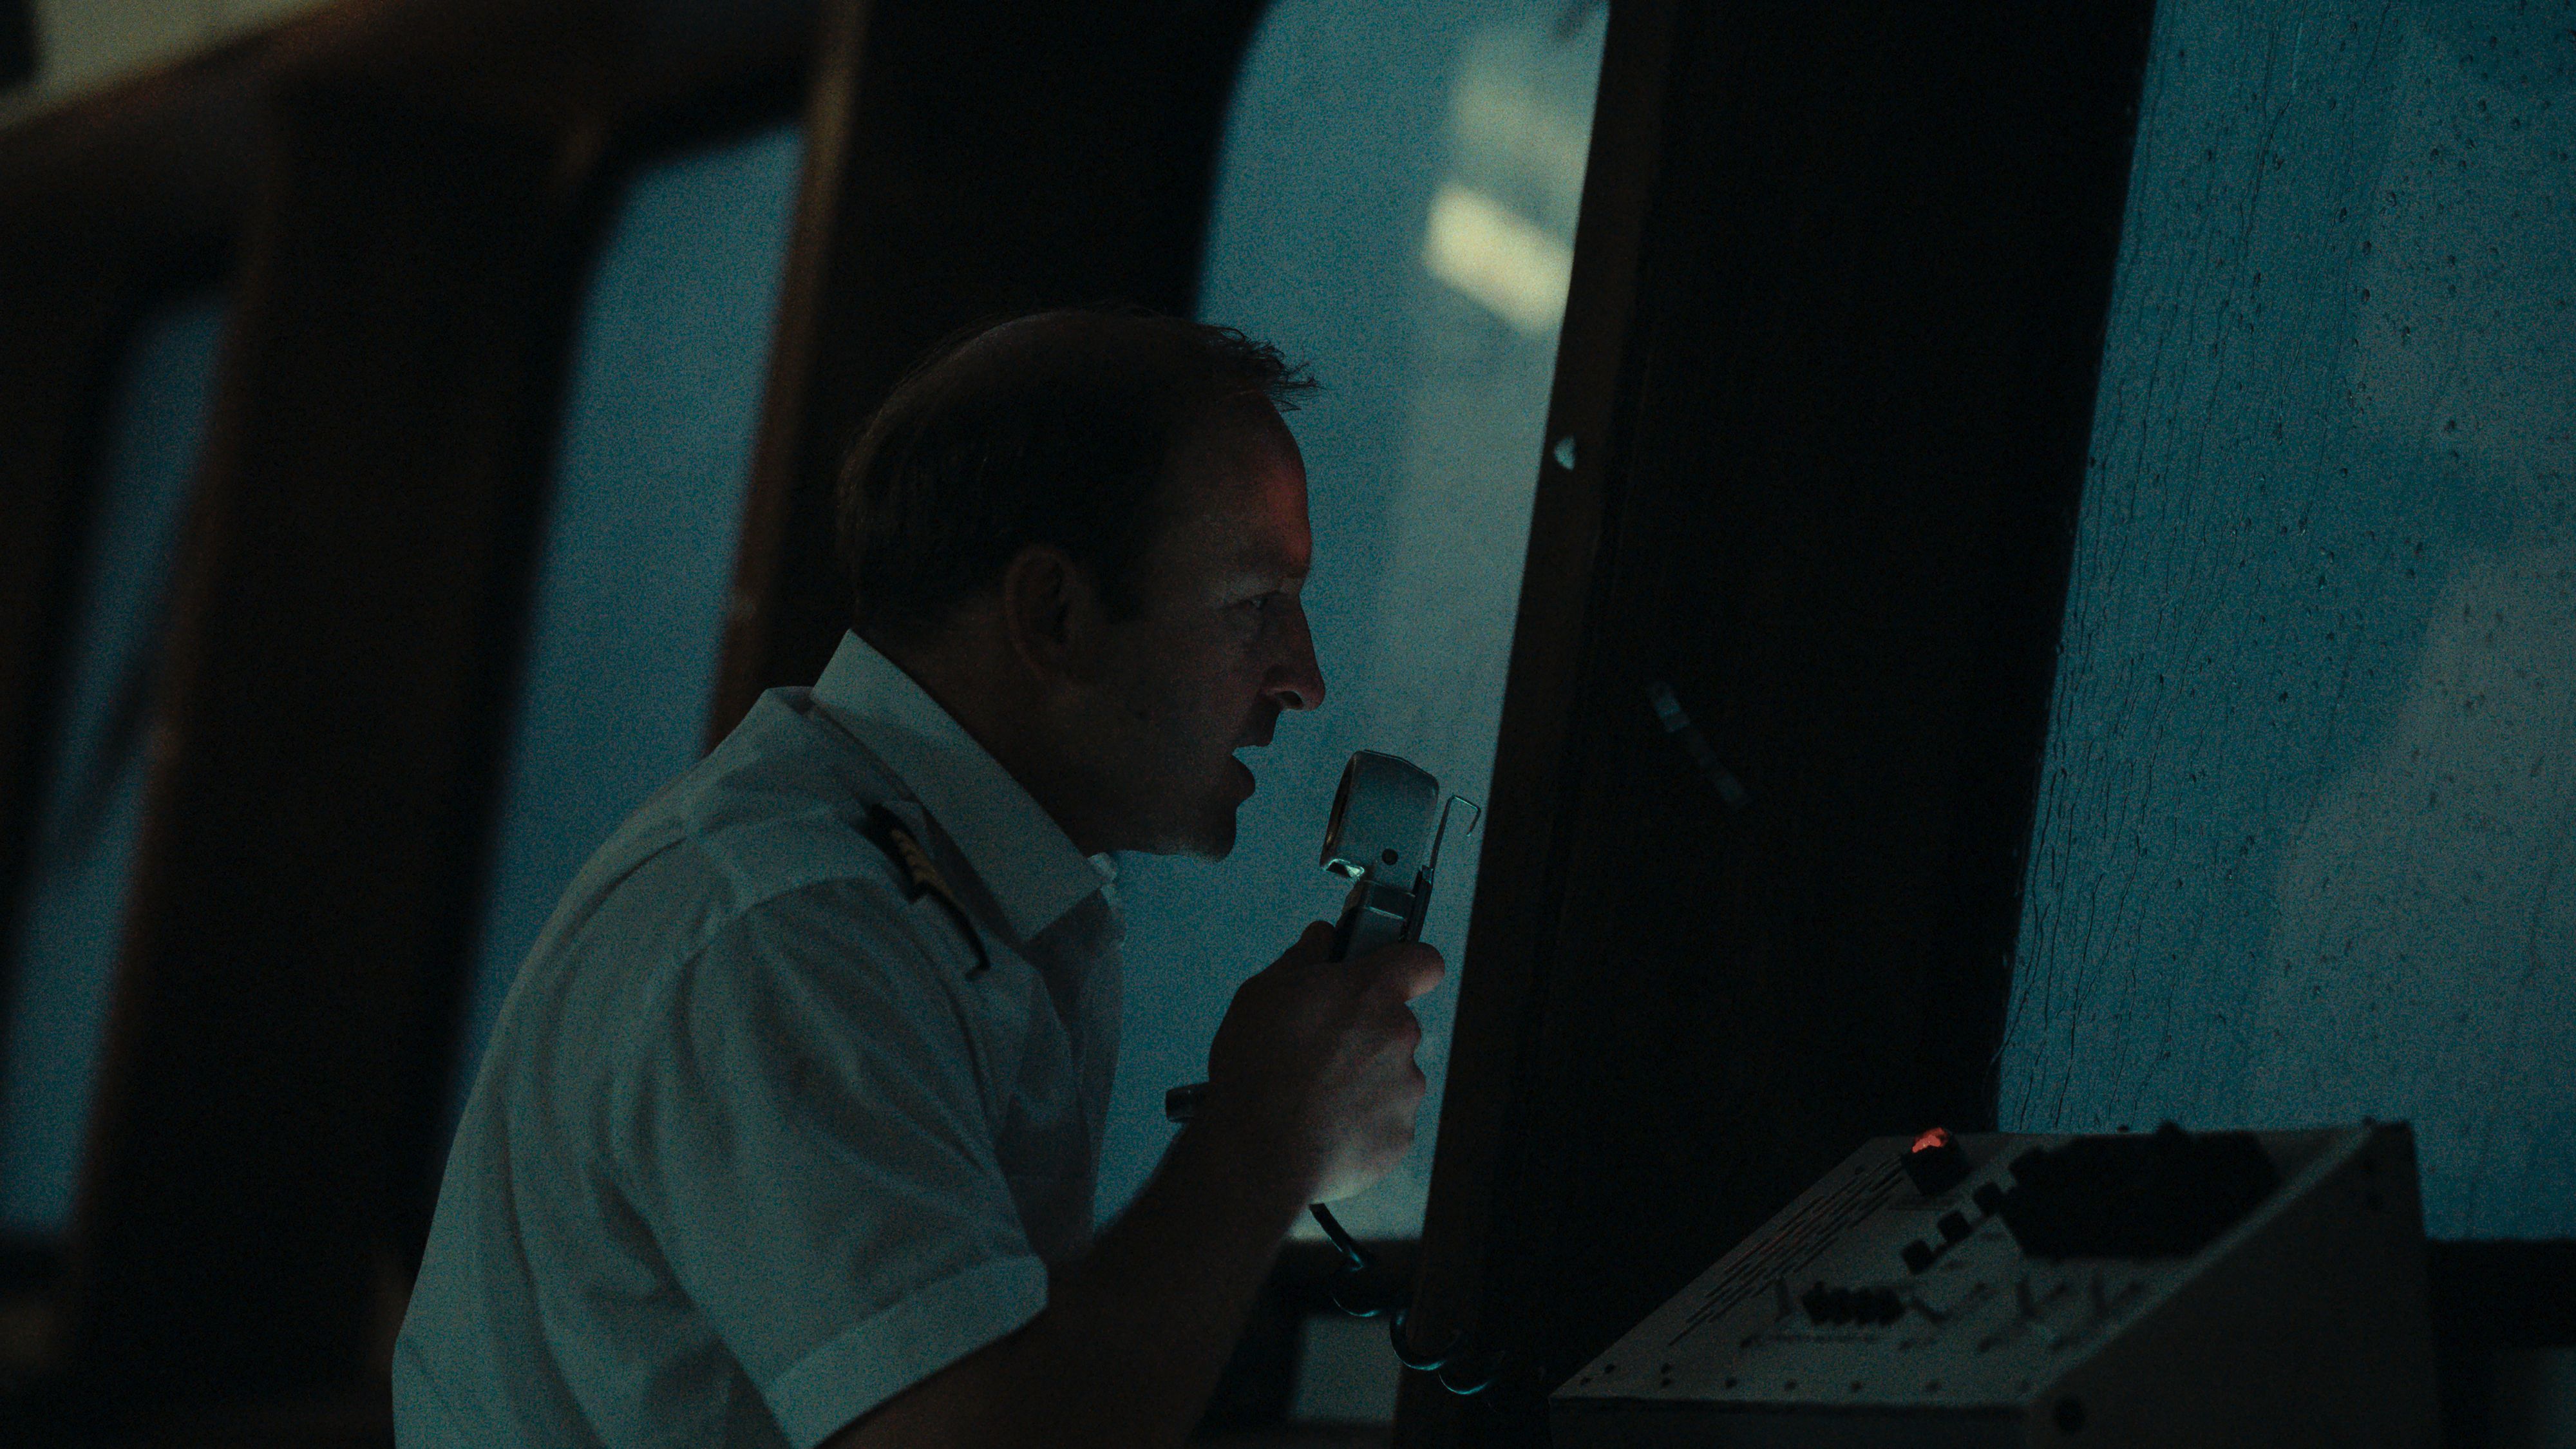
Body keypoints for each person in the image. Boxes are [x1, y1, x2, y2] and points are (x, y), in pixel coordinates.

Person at [392, 310, 1444, 1449]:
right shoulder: (792, 934)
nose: (1304, 678)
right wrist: (1263, 1140)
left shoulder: (939, 905)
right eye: (1254, 605)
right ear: (1054, 615)